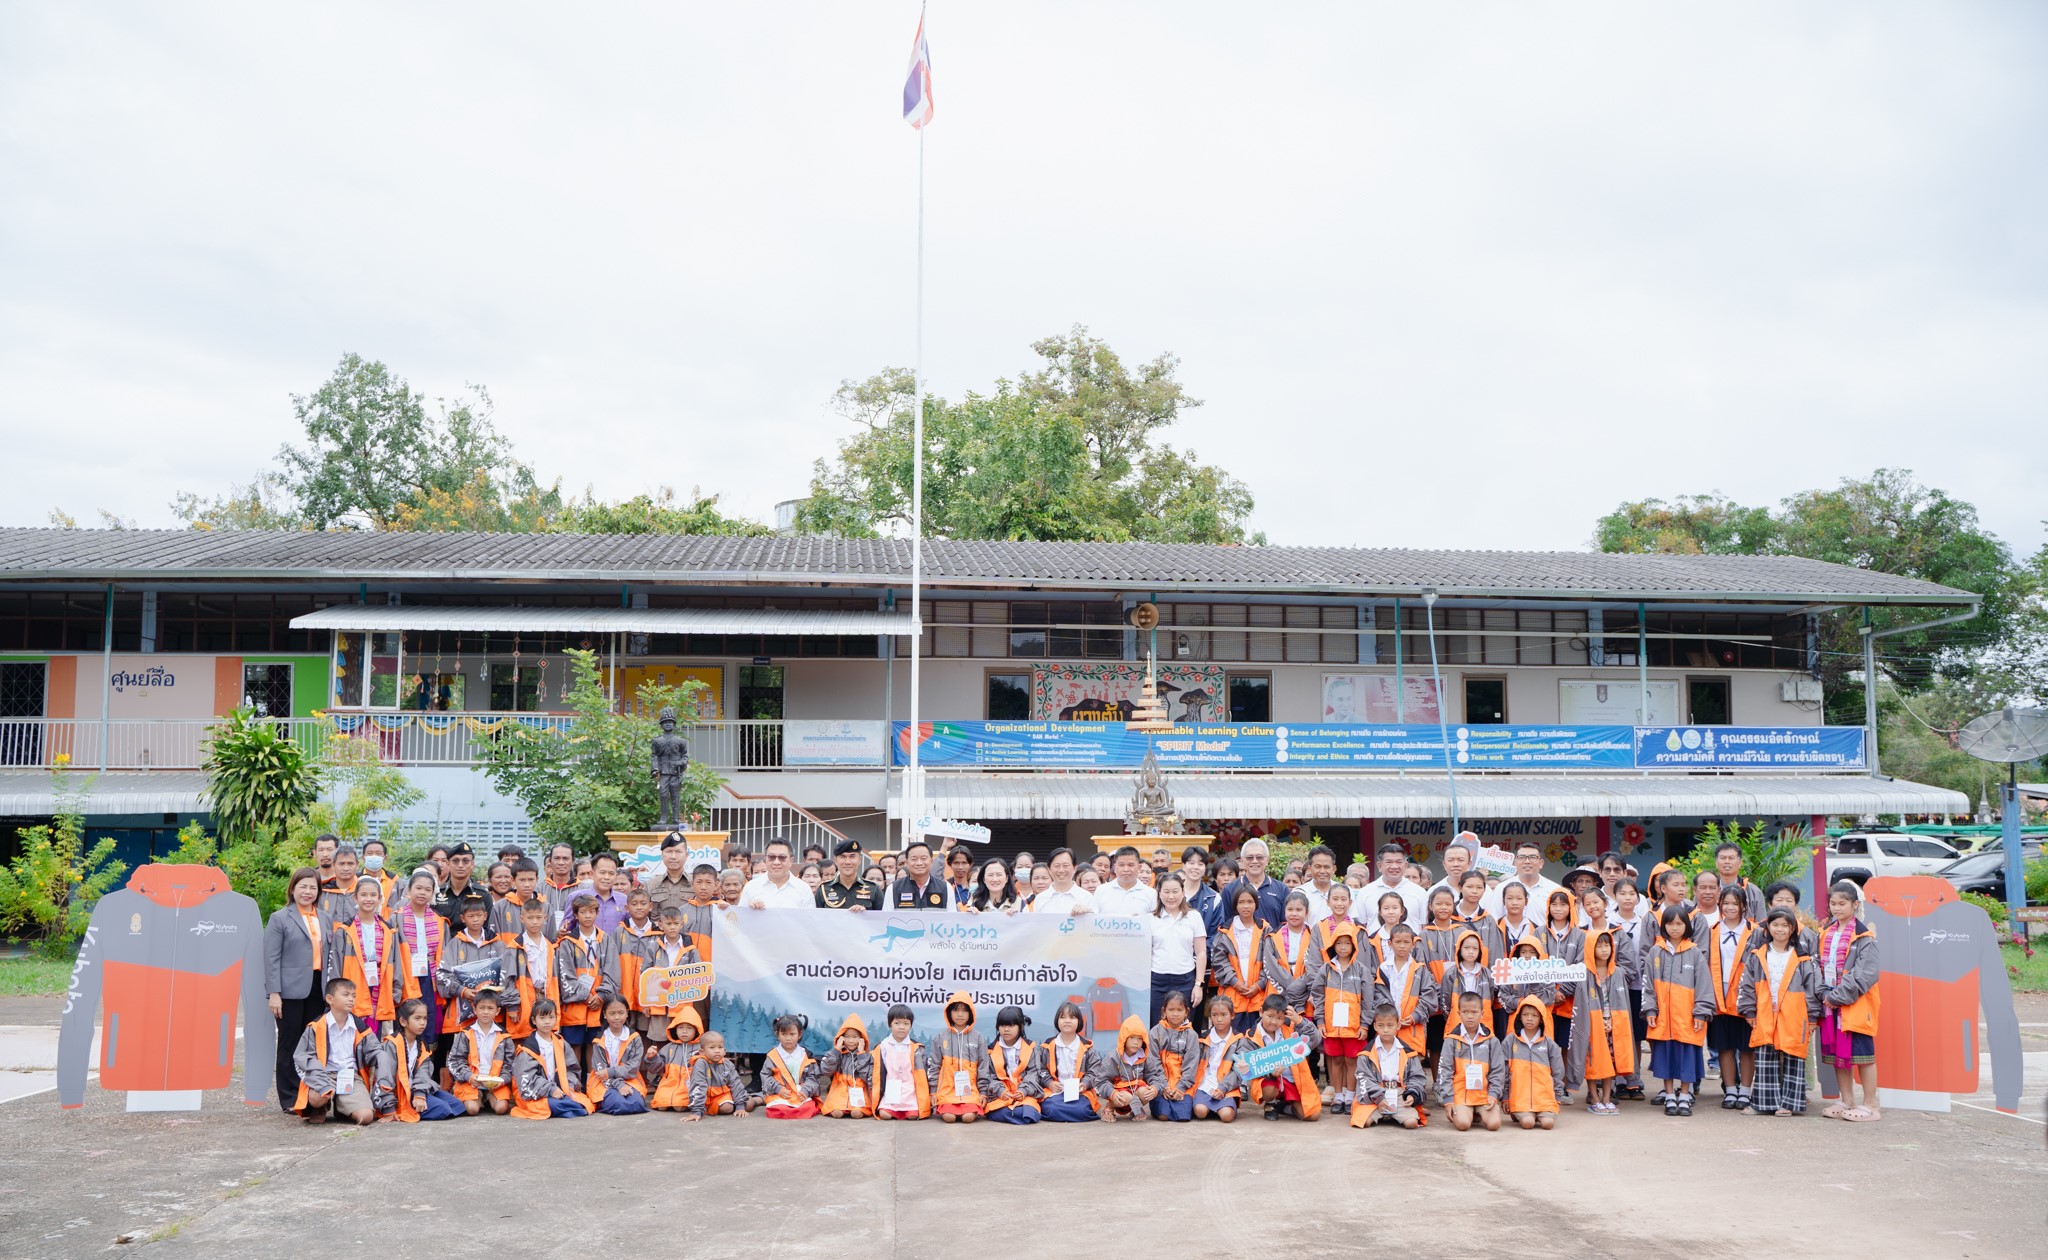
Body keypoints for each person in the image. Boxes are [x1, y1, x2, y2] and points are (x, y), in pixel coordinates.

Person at [1739, 908, 1821, 1118]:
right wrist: (1749, 1011)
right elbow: (1746, 985)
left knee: (1793, 1056)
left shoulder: (1803, 958)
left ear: (1793, 929)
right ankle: (1763, 1103)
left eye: (1785, 925)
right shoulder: (1758, 955)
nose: (1780, 929)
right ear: (1768, 928)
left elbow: (1812, 990)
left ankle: (1789, 1103)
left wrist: (1812, 1017)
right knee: (1765, 1057)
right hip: (1765, 1012)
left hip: (1795, 1014)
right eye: (1775, 924)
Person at [265, 867, 330, 1113]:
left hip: (318, 987)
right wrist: (274, 993)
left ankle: (310, 1093)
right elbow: (271, 958)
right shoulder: (280, 917)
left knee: (312, 1043)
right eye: (303, 886)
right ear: (293, 889)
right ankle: (289, 1097)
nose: (308, 891)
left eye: (313, 887)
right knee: (289, 1043)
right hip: (289, 991)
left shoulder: (323, 918)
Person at [1817, 880, 1881, 1122]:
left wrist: (1837, 996)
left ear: (1855, 904)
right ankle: (1847, 1100)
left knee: (1863, 1056)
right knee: (1838, 1056)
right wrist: (1825, 994)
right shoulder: (1825, 933)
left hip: (1855, 1005)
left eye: (1842, 903)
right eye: (1833, 903)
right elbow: (1818, 967)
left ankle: (1871, 1105)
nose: (1836, 908)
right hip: (1831, 1005)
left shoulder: (1865, 937)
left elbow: (1866, 974)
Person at [1642, 905, 1711, 1116]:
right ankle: (1670, 1095)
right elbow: (1648, 985)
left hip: (1687, 1018)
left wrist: (1701, 1011)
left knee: (1687, 1059)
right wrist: (1650, 1009)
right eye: (1670, 923)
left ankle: (1685, 1095)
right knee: (1666, 1058)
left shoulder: (1695, 952)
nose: (1675, 928)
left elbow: (1704, 986)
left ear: (1687, 926)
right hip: (1663, 1018)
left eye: (1679, 924)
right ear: (1664, 926)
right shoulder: (1655, 951)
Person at [289, 976, 374, 1125]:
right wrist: (318, 1077)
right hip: (324, 1074)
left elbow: (375, 1050)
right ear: (330, 999)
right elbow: (302, 1056)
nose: (351, 999)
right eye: (345, 995)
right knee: (317, 1098)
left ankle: (343, 1109)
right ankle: (320, 1107)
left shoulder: (360, 1027)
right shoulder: (316, 1026)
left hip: (351, 1075)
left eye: (353, 996)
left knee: (366, 1117)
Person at [1703, 885, 1759, 1109]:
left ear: (1743, 906)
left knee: (1746, 1047)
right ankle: (1730, 1089)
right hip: (1719, 995)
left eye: (1735, 903)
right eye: (1725, 903)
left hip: (1746, 995)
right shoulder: (1712, 930)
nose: (1730, 907)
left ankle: (1745, 1089)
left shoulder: (1755, 931)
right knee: (1724, 1046)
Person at [1571, 928, 1634, 1114]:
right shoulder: (1583, 972)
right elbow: (1574, 993)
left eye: (1607, 945)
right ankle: (1594, 1097)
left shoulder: (1618, 973)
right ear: (1591, 948)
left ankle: (1607, 1098)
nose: (1604, 949)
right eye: (1599, 946)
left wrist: (1614, 1022)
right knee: (1593, 1061)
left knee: (1610, 1062)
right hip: (1592, 1024)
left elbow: (1623, 1003)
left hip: (1613, 1024)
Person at [372, 998, 462, 1122]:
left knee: (458, 1106)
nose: (422, 1023)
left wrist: (420, 1093)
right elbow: (385, 1077)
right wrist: (388, 1109)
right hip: (400, 1096)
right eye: (417, 1018)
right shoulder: (391, 1045)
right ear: (403, 1021)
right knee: (443, 1109)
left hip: (417, 1090)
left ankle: (420, 1102)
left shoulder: (421, 1044)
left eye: (425, 1018)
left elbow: (423, 1073)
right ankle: (406, 1108)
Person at [1317, 923, 1371, 1110]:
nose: (1342, 947)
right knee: (1336, 1060)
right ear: (1333, 945)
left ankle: (1350, 1096)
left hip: (1354, 1026)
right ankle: (1338, 1096)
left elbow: (1368, 1001)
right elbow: (1317, 996)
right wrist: (1320, 1021)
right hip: (1331, 1026)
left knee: (1352, 1060)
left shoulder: (1362, 970)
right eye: (1338, 943)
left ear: (1354, 946)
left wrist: (1364, 1025)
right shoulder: (1326, 969)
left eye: (1347, 943)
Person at [1243, 993, 1321, 1121]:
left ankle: (1284, 1107)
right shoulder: (1251, 1036)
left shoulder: (1291, 1028)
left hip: (1293, 1080)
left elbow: (1315, 1039)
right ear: (1261, 1012)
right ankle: (1271, 1104)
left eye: (1279, 1018)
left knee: (1312, 1115)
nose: (1274, 1022)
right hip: (1271, 1081)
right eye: (1270, 1016)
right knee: (1268, 1090)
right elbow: (1250, 1069)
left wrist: (1299, 1020)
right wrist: (1271, 1075)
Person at [509, 999, 591, 1120]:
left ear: (556, 1018)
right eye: (542, 1018)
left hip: (560, 1091)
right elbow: (527, 1080)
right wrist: (551, 1089)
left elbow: (572, 1069)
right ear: (533, 1020)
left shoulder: (560, 1042)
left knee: (583, 1103)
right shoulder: (527, 1049)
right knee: (560, 1105)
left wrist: (569, 1086)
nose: (547, 1022)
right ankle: (564, 1108)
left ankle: (565, 1107)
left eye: (551, 1017)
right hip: (539, 1094)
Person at [557, 894, 620, 1050]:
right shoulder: (567, 942)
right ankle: (574, 1076)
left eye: (591, 912)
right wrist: (586, 996)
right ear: (576, 915)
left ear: (597, 913)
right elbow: (565, 975)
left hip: (598, 1003)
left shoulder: (606, 939)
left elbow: (613, 971)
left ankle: (592, 1076)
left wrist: (601, 995)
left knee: (595, 1045)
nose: (588, 916)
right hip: (575, 1005)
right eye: (583, 912)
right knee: (573, 1046)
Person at [1437, 990, 1505, 1132]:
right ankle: (1469, 1113)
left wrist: (1493, 1094)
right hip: (1461, 1094)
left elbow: (1498, 1070)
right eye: (1465, 1012)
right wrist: (1448, 1100)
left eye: (1474, 1012)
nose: (1470, 1016)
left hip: (1483, 1094)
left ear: (1482, 1013)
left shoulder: (1492, 1040)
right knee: (1463, 1124)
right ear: (1458, 1013)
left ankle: (1477, 1112)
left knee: (1494, 1125)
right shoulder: (1451, 1040)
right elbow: (1444, 1071)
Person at [1353, 1003, 1429, 1130]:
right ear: (1375, 1026)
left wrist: (1412, 1094)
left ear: (1398, 1025)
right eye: (1381, 1026)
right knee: (1364, 1122)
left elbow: (1417, 1076)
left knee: (1411, 1123)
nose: (1386, 1030)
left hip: (1399, 1093)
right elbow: (1364, 1078)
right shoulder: (1366, 1053)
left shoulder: (1408, 1052)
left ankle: (1395, 1114)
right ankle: (1383, 1114)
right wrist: (1378, 1097)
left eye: (1390, 1025)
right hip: (1375, 1094)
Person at [1147, 874, 1206, 1025]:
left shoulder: (1194, 917)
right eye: (1166, 891)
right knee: (1157, 1027)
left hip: (1185, 980)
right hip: (1156, 981)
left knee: (1183, 1028)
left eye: (1175, 891)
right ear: (1159, 893)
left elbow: (1201, 953)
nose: (1171, 896)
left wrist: (1198, 984)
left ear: (1183, 892)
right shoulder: (1150, 919)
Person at [1212, 886, 1271, 1032]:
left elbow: (1272, 960)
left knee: (1257, 1043)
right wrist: (1235, 982)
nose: (1246, 906)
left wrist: (1259, 985)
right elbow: (1219, 961)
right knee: (1233, 1041)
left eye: (1250, 902)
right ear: (1235, 905)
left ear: (1256, 904)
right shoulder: (1225, 931)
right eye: (1241, 902)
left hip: (1259, 996)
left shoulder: (1265, 929)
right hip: (1232, 996)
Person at [446, 987, 514, 1116]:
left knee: (501, 1109)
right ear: (474, 1009)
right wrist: (469, 1077)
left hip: (495, 1083)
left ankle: (488, 1096)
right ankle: (477, 1096)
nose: (485, 1012)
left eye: (490, 1008)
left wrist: (502, 1080)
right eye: (482, 1008)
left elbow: (510, 1064)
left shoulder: (504, 1036)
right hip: (471, 1081)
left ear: (497, 1011)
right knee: (472, 1109)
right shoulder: (465, 1033)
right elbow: (455, 1061)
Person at [1033, 1001, 1104, 1122]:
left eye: (1072, 1017)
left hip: (1080, 1092)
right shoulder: (1047, 1046)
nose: (1067, 1020)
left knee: (1083, 1109)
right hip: (1055, 1091)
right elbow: (1041, 1069)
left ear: (1079, 1022)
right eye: (1063, 1017)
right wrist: (1049, 1083)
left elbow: (1094, 1071)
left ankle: (1066, 1112)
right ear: (1057, 1021)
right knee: (1051, 1108)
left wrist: (1085, 1084)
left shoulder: (1087, 1047)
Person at [1503, 995, 1565, 1130]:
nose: (1529, 1019)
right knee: (1527, 1123)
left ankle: (1539, 1112)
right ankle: (1522, 1112)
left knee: (1548, 1124)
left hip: (1544, 1097)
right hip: (1520, 1098)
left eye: (1534, 1015)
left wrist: (1558, 1095)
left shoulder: (1549, 1043)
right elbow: (1504, 1070)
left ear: (1542, 1018)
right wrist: (1506, 1097)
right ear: (1519, 1016)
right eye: (1525, 1014)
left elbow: (1558, 1071)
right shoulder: (1510, 1040)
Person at [1374, 923, 1434, 1058]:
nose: (1402, 946)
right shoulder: (1383, 969)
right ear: (1390, 943)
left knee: (1412, 1067)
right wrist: (1389, 1014)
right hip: (1388, 1027)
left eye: (1406, 942)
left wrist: (1415, 1017)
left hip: (1412, 1027)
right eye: (1398, 942)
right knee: (1389, 1067)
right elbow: (1378, 995)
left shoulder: (1420, 969)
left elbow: (1429, 997)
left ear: (1413, 944)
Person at [586, 995, 650, 1115]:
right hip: (604, 1083)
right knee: (619, 1103)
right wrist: (618, 1085)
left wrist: (612, 1073)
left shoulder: (634, 1038)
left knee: (636, 1103)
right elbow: (601, 1073)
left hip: (630, 1080)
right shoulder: (599, 1040)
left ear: (627, 1013)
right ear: (605, 1014)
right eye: (612, 1013)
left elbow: (633, 1068)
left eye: (621, 1013)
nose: (617, 1017)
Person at [931, 993, 987, 1123]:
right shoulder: (941, 1037)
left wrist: (983, 1092)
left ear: (971, 1013)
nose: (960, 1014)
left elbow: (983, 1067)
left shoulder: (978, 1038)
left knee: (968, 1118)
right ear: (949, 1013)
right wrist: (933, 1092)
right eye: (956, 1010)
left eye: (964, 1010)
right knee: (949, 1118)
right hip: (947, 1091)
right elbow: (934, 1065)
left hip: (970, 1091)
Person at [980, 1006, 1042, 1124]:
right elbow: (989, 1076)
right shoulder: (990, 1051)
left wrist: (1023, 1091)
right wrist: (1000, 1091)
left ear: (1021, 1026)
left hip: (1024, 1094)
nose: (1006, 1029)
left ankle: (1015, 1114)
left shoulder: (1031, 1048)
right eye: (1003, 1025)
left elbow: (1033, 1073)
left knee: (1029, 1112)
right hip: (1001, 1096)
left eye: (1011, 1025)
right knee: (997, 1110)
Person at [1264, 890, 1318, 1017]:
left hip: (1305, 990)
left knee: (1303, 1029)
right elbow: (1270, 965)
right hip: (1278, 987)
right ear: (1284, 911)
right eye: (1290, 909)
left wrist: (1300, 987)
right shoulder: (1272, 936)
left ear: (1307, 912)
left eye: (1299, 910)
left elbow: (1315, 964)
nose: (1294, 914)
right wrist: (1292, 986)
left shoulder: (1314, 935)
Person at [1191, 994, 1245, 1121]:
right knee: (1200, 1112)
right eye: (1214, 1015)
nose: (1219, 1019)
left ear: (1232, 1015)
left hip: (1227, 1086)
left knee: (1227, 1116)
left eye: (1223, 1014)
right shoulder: (1202, 1038)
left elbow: (1239, 1070)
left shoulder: (1239, 1039)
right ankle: (1210, 1106)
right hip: (1204, 1084)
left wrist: (1222, 1088)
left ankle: (1222, 1107)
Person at [874, 1004, 932, 1120]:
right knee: (885, 1115)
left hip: (910, 1090)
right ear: (890, 1024)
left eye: (906, 1024)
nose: (901, 1027)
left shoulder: (916, 1048)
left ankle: (908, 1109)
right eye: (897, 1023)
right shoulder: (882, 1046)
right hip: (890, 1089)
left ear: (911, 1026)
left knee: (912, 1116)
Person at [1148, 990, 1198, 1122]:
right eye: (1171, 1009)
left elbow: (1191, 1066)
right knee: (1163, 1116)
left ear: (1186, 1012)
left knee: (1182, 1117)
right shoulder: (1155, 1032)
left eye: (1179, 1010)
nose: (1175, 1014)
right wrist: (1163, 1087)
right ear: (1164, 1011)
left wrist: (1180, 1088)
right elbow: (1153, 1063)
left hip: (1183, 1087)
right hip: (1161, 1085)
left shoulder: (1191, 1035)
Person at [1479, 842, 1562, 919]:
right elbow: (1493, 919)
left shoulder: (1554, 889)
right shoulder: (1501, 888)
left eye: (1532, 857)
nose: (1527, 861)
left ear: (1541, 863)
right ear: (1515, 863)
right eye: (1522, 857)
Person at [684, 1031, 755, 1119]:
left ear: (724, 1051)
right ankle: (745, 1100)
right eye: (712, 1047)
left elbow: (735, 1083)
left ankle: (759, 1098)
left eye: (720, 1047)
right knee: (727, 1108)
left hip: (725, 1095)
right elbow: (698, 1086)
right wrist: (696, 1111)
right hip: (707, 1099)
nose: (717, 1051)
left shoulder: (727, 1063)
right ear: (702, 1052)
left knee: (748, 1105)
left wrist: (740, 1106)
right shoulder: (700, 1063)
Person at [760, 1014, 819, 1120]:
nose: (788, 1038)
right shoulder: (773, 1055)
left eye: (792, 1034)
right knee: (778, 1108)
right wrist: (778, 1089)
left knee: (808, 1106)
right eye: (784, 1034)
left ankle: (795, 1110)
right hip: (780, 1094)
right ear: (777, 1034)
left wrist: (806, 1091)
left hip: (799, 1092)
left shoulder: (806, 1054)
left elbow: (812, 1076)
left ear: (800, 1034)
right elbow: (766, 1076)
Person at [817, 1014, 877, 1118]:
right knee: (837, 1113)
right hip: (840, 1089)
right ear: (841, 1037)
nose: (851, 1041)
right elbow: (825, 1070)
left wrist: (862, 1055)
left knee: (856, 1113)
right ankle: (840, 1107)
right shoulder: (837, 1053)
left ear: (862, 1038)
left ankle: (857, 1108)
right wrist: (836, 1050)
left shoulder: (868, 1056)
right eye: (847, 1037)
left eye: (855, 1037)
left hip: (860, 1090)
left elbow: (868, 1078)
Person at [1220, 838, 1287, 929]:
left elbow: (1285, 925)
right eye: (1249, 857)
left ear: (1267, 860)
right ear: (1242, 861)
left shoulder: (1282, 889)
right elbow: (1226, 925)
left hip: (1274, 942)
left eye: (1259, 857)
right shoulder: (1229, 890)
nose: (1255, 861)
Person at [1440, 930, 1496, 1037]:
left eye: (1475, 948)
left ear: (1480, 951)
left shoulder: (1487, 973)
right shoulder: (1451, 974)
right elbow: (1444, 1001)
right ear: (1459, 949)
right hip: (1457, 1022)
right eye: (1466, 948)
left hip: (1483, 1021)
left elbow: (1491, 997)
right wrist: (1453, 1015)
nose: (1471, 951)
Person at [1102, 1016, 1158, 1122]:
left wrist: (1155, 1088)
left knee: (1146, 1092)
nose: (1136, 1042)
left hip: (1136, 1092)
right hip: (1119, 1095)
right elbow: (1102, 1080)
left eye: (1139, 1038)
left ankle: (1135, 1110)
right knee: (1127, 1097)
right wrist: (1111, 1093)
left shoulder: (1146, 1056)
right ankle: (1109, 1107)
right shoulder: (1113, 1057)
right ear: (1124, 1038)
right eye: (1132, 1037)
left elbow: (1153, 1075)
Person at [649, 1008, 706, 1112]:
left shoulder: (700, 1049)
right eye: (680, 1027)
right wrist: (652, 1057)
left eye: (689, 1028)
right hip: (668, 1083)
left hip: (688, 1086)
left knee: (679, 1106)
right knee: (661, 1105)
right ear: (675, 1029)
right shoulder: (668, 1047)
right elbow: (656, 1070)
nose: (684, 1031)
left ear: (697, 1030)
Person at [1356, 842, 1427, 926]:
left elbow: (1424, 926)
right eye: (1389, 862)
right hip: (1374, 939)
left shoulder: (1420, 892)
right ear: (1379, 866)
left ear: (1405, 865)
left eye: (1399, 862)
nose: (1394, 866)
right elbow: (1361, 927)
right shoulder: (1365, 892)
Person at [741, 837, 816, 910]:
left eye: (782, 857)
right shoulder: (751, 887)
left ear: (791, 860)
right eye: (771, 857)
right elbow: (741, 917)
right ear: (766, 859)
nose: (776, 862)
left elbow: (809, 920)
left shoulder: (804, 889)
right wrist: (750, 910)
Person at [1026, 848, 1096, 916]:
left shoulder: (1086, 897)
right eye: (1057, 866)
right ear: (1049, 869)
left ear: (1075, 868)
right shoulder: (1040, 899)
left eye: (1065, 865)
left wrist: (1088, 914)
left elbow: (1095, 925)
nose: (1061, 870)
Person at [817, 839, 883, 910]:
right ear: (835, 860)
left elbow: (882, 919)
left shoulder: (874, 889)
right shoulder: (823, 889)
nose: (847, 862)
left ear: (859, 860)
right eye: (843, 857)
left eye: (852, 856)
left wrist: (866, 914)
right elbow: (816, 919)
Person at [1096, 845, 1159, 916]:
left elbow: (1155, 923)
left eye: (1130, 865)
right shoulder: (1101, 890)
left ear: (1139, 867)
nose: (1126, 869)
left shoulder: (1151, 894)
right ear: (1115, 867)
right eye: (1121, 865)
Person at [645, 833, 696, 921]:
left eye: (678, 852)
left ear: (686, 855)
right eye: (669, 852)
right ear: (662, 855)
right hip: (659, 933)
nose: (673, 856)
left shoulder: (696, 883)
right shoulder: (651, 885)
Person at [1714, 842, 1768, 923]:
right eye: (1723, 858)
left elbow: (1762, 924)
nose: (1727, 861)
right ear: (1716, 863)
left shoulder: (1754, 892)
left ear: (1740, 863)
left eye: (1731, 858)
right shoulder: (1707, 890)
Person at [889, 841, 949, 911]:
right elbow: (886, 919)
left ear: (931, 862)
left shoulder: (945, 888)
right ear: (907, 863)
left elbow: (952, 919)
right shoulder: (893, 888)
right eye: (914, 859)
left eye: (923, 858)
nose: (919, 863)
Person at [1296, 844, 1341, 922]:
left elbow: (1351, 921)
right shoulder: (1300, 893)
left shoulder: (1344, 891)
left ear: (1334, 869)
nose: (1322, 871)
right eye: (1318, 866)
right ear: (1310, 868)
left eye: (1327, 867)